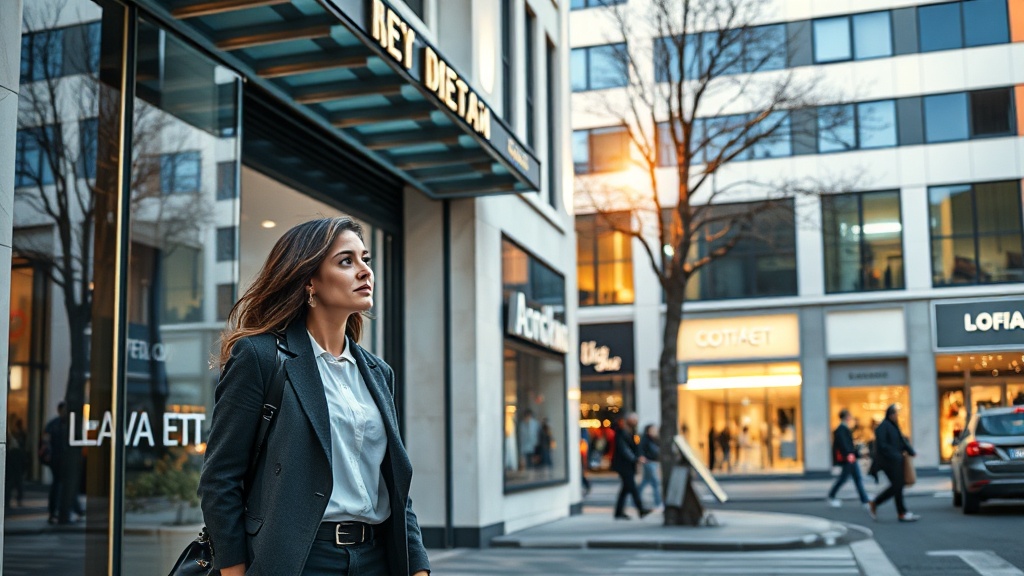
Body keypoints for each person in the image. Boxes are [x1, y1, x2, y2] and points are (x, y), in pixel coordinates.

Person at [199, 217, 429, 576]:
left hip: (377, 559)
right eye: (346, 261)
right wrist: (233, 571)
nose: (365, 271)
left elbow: (395, 486)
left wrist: (418, 567)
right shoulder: (260, 357)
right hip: (300, 561)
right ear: (309, 281)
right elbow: (220, 478)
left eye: (365, 259)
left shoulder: (378, 373)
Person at [868, 404, 919, 523]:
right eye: (895, 414)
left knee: (898, 486)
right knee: (898, 485)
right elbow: (882, 446)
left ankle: (898, 511)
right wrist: (896, 455)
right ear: (890, 415)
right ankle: (898, 511)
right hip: (888, 462)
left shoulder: (894, 426)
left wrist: (911, 451)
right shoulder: (883, 427)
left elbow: (902, 440)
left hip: (896, 461)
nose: (896, 416)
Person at [611, 413, 651, 520]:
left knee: (625, 489)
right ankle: (641, 509)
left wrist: (637, 457)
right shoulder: (621, 433)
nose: (636, 422)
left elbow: (634, 448)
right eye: (634, 420)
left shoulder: (631, 433)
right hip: (623, 465)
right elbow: (624, 450)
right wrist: (635, 459)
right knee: (632, 488)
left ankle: (618, 512)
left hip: (628, 465)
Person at [827, 409, 869, 508]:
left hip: (850, 457)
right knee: (845, 478)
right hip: (848, 458)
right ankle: (831, 496)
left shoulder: (844, 428)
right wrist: (851, 455)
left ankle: (865, 500)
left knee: (856, 478)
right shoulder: (841, 429)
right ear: (846, 416)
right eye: (849, 415)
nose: (850, 417)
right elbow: (845, 446)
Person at [637, 424, 663, 511]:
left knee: (645, 481)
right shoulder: (645, 439)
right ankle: (658, 502)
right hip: (649, 462)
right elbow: (640, 449)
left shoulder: (656, 439)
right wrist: (642, 457)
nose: (654, 431)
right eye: (652, 430)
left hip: (653, 462)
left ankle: (636, 498)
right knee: (655, 482)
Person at [6, 414, 27, 509]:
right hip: (15, 456)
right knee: (15, 481)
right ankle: (15, 499)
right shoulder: (15, 434)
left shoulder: (16, 434)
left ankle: (9, 500)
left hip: (14, 456)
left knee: (12, 481)